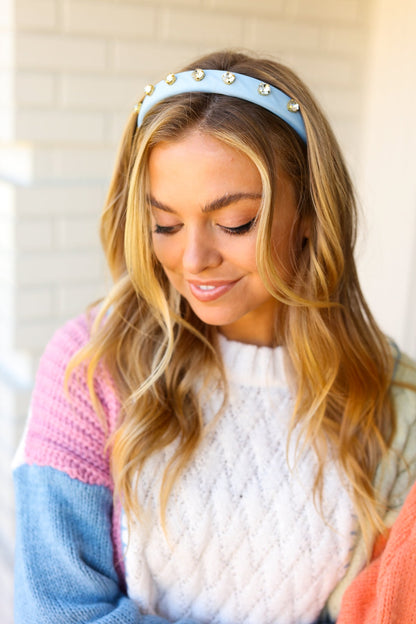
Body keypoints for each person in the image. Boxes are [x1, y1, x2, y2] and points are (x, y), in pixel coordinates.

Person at [13, 49, 416, 624]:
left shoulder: (394, 404)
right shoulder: (90, 366)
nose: (195, 259)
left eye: (234, 223)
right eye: (165, 225)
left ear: (308, 215)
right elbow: (56, 611)